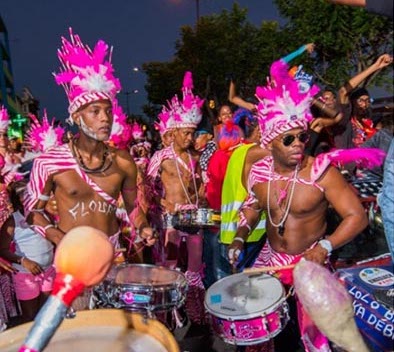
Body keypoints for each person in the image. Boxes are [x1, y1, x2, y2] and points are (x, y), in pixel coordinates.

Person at [229, 62, 370, 351]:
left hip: (310, 265)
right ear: (269, 143)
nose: (299, 144)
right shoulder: (258, 172)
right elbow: (255, 206)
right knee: (262, 338)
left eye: (303, 136)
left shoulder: (320, 172)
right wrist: (241, 236)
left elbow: (357, 216)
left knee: (312, 342)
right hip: (270, 263)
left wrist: (325, 248)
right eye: (289, 139)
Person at [24, 29, 154, 249]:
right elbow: (32, 212)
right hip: (73, 257)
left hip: (112, 254)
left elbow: (132, 207)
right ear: (76, 117)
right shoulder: (49, 162)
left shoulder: (123, 161)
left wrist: (142, 226)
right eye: (95, 112)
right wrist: (58, 238)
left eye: (108, 111)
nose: (105, 119)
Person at [146, 71, 207, 325]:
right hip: (170, 219)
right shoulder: (161, 156)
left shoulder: (195, 156)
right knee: (170, 265)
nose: (190, 138)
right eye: (186, 133)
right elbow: (146, 189)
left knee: (194, 266)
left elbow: (201, 183)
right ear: (175, 130)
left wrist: (202, 197)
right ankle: (168, 314)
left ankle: (196, 312)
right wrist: (165, 204)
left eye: (193, 133)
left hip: (193, 215)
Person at [0, 180, 55, 323]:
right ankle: (28, 342)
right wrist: (24, 261)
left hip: (48, 271)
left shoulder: (45, 215)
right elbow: (3, 249)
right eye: (29, 195)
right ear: (20, 199)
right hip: (26, 275)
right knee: (30, 316)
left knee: (46, 311)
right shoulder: (13, 221)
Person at [334, 53, 393, 150]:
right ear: (352, 102)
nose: (364, 104)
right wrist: (376, 66)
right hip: (348, 162)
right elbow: (343, 91)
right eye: (360, 100)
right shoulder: (345, 119)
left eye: (367, 101)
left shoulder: (369, 123)